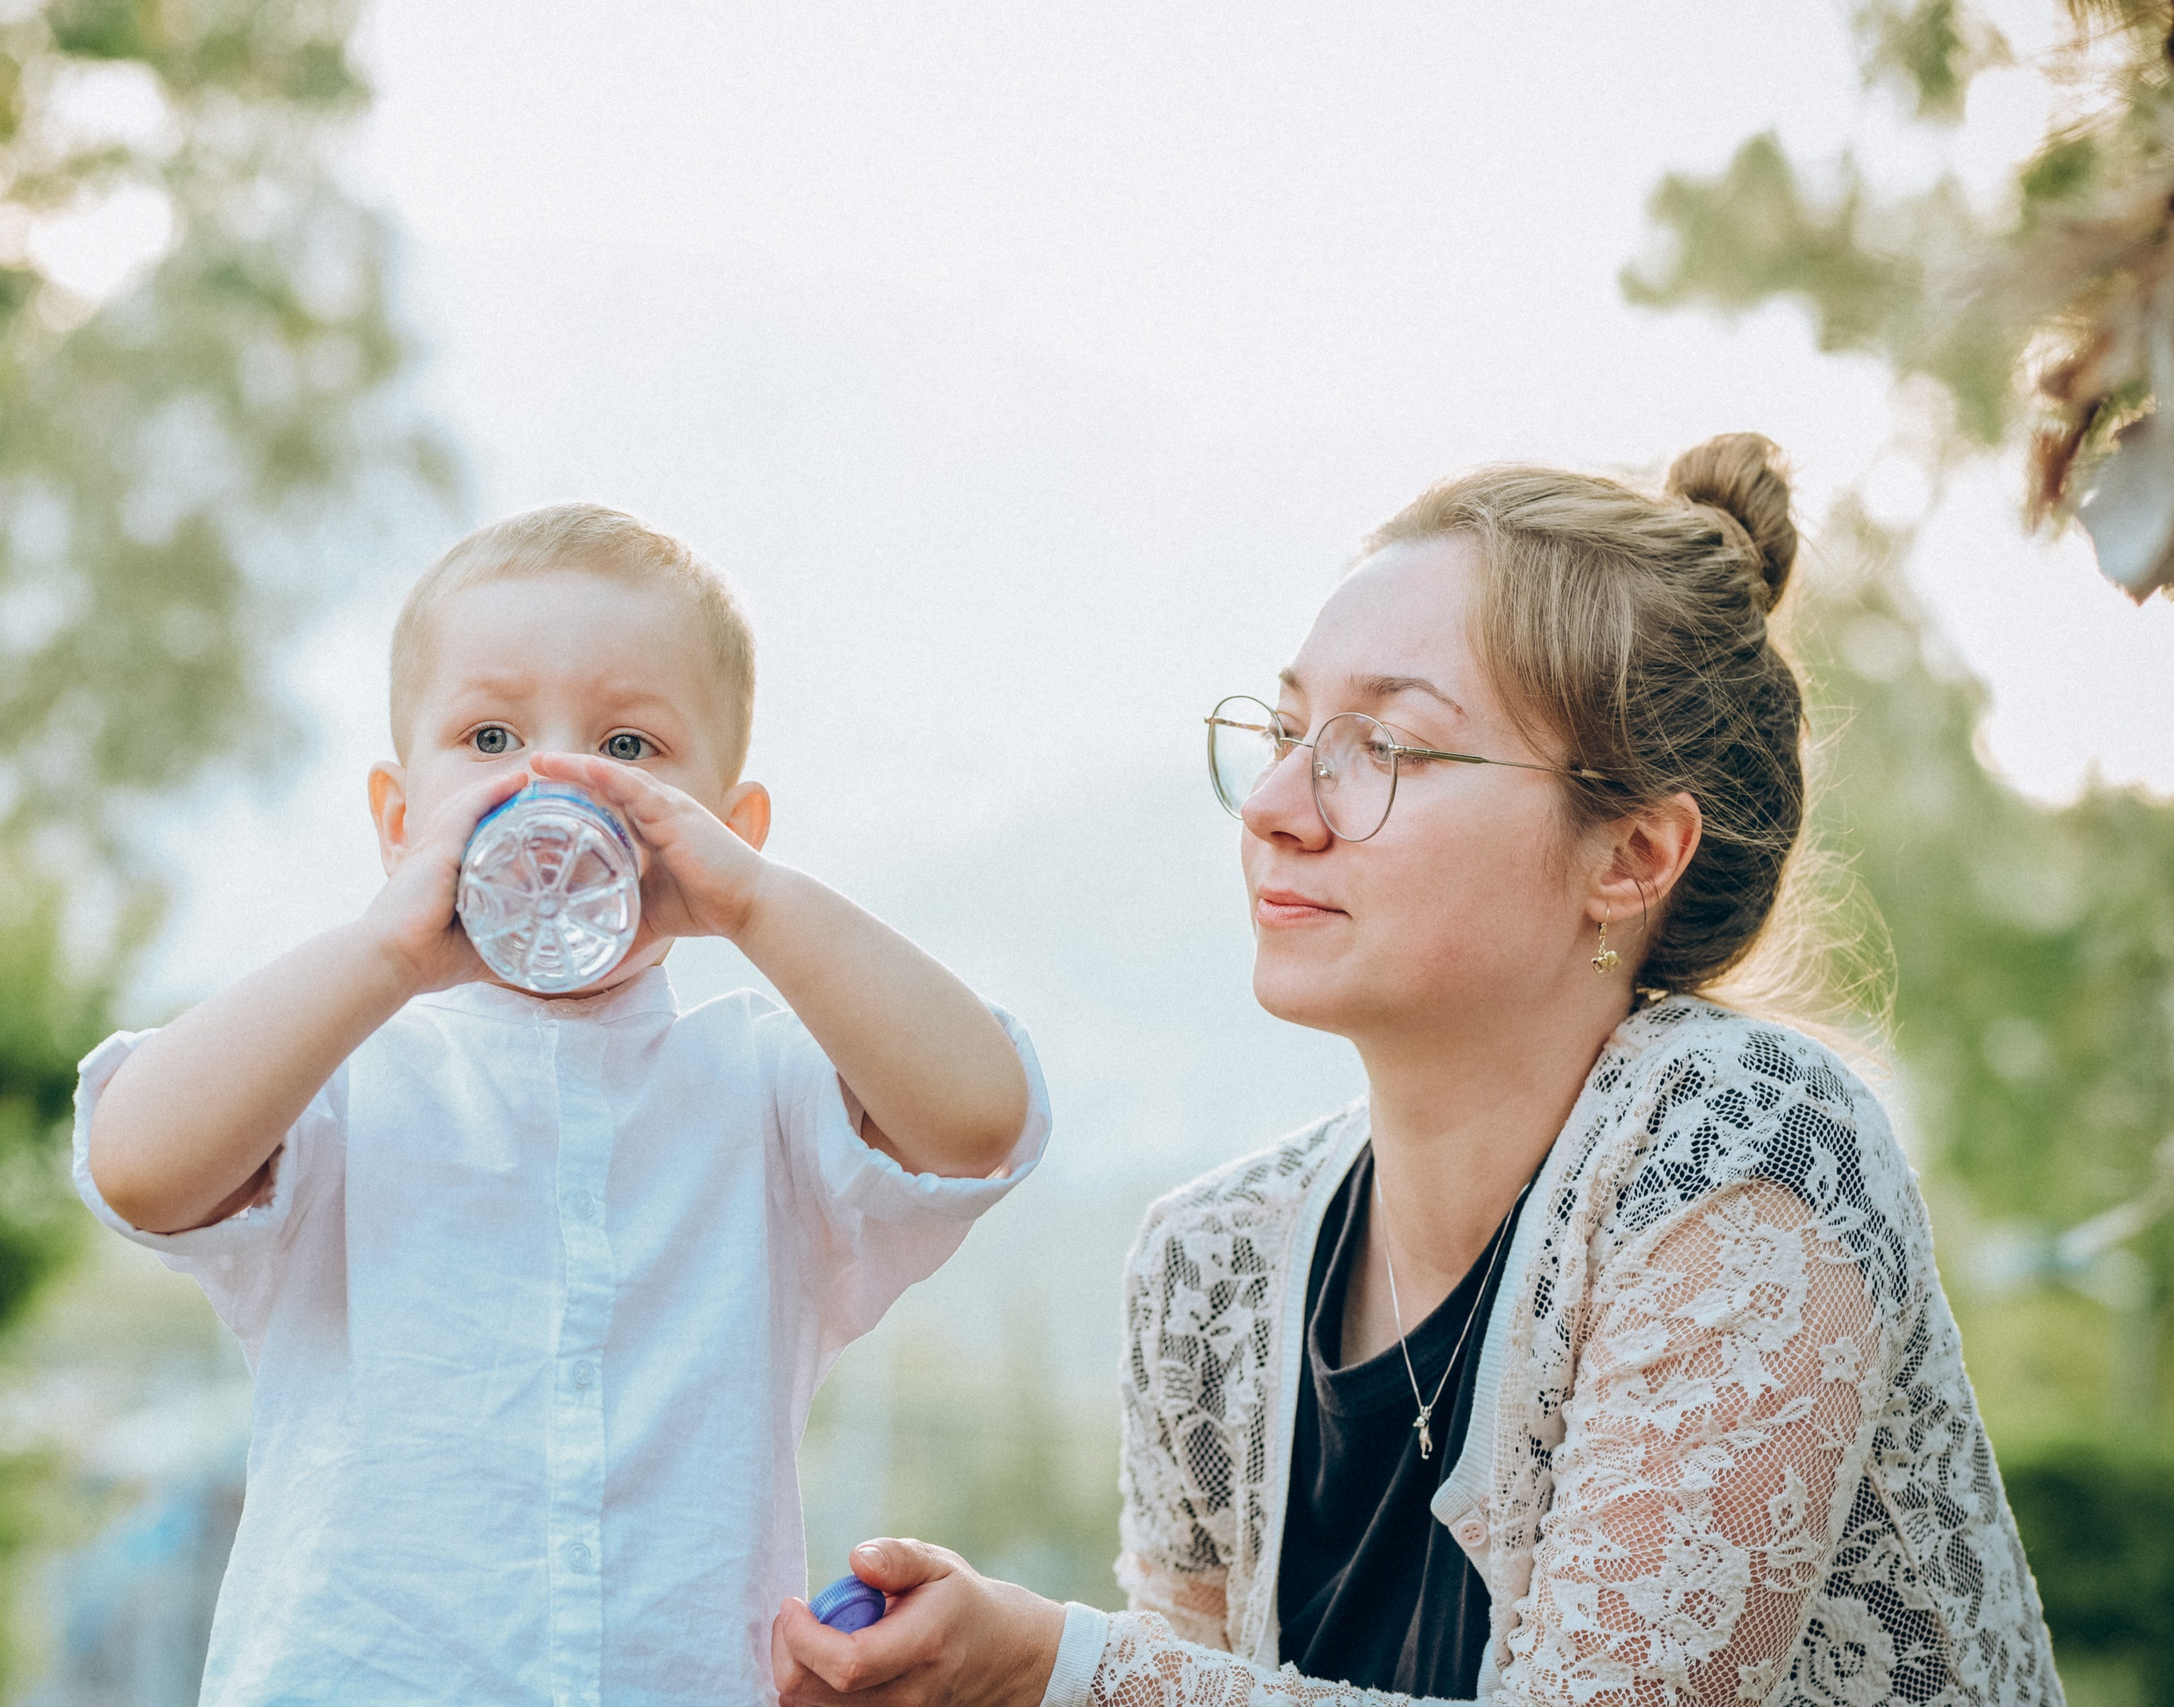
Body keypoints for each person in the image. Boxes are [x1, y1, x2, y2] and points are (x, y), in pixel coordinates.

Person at [769, 436, 2065, 1707]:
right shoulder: (1209, 1266)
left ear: (1630, 856)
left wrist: (1054, 1665)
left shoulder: (1749, 1156)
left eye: (1387, 745)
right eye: (1287, 728)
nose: (1277, 799)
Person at [75, 503, 1050, 1705]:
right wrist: (386, 954)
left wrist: (753, 906)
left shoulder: (770, 1095)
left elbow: (977, 1117)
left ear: (728, 827)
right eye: (488, 734)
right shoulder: (334, 1083)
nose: (553, 779)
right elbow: (138, 1166)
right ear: (397, 822)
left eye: (631, 747)